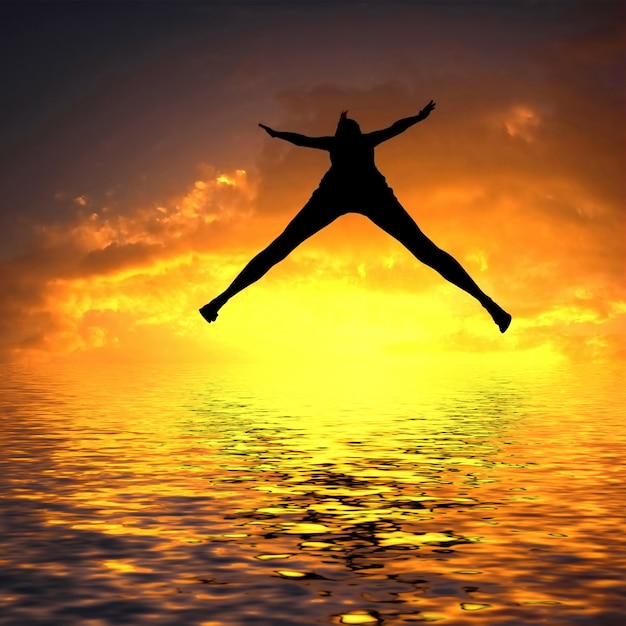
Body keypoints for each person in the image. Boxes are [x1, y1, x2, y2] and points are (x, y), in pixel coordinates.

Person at [200, 101, 511, 333]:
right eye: (349, 130)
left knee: (426, 251)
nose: (352, 133)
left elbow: (390, 129)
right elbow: (304, 139)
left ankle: (490, 305)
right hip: (340, 195)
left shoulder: (350, 141)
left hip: (367, 195)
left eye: (352, 130)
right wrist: (277, 135)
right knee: (279, 248)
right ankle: (219, 301)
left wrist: (417, 118)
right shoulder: (350, 141)